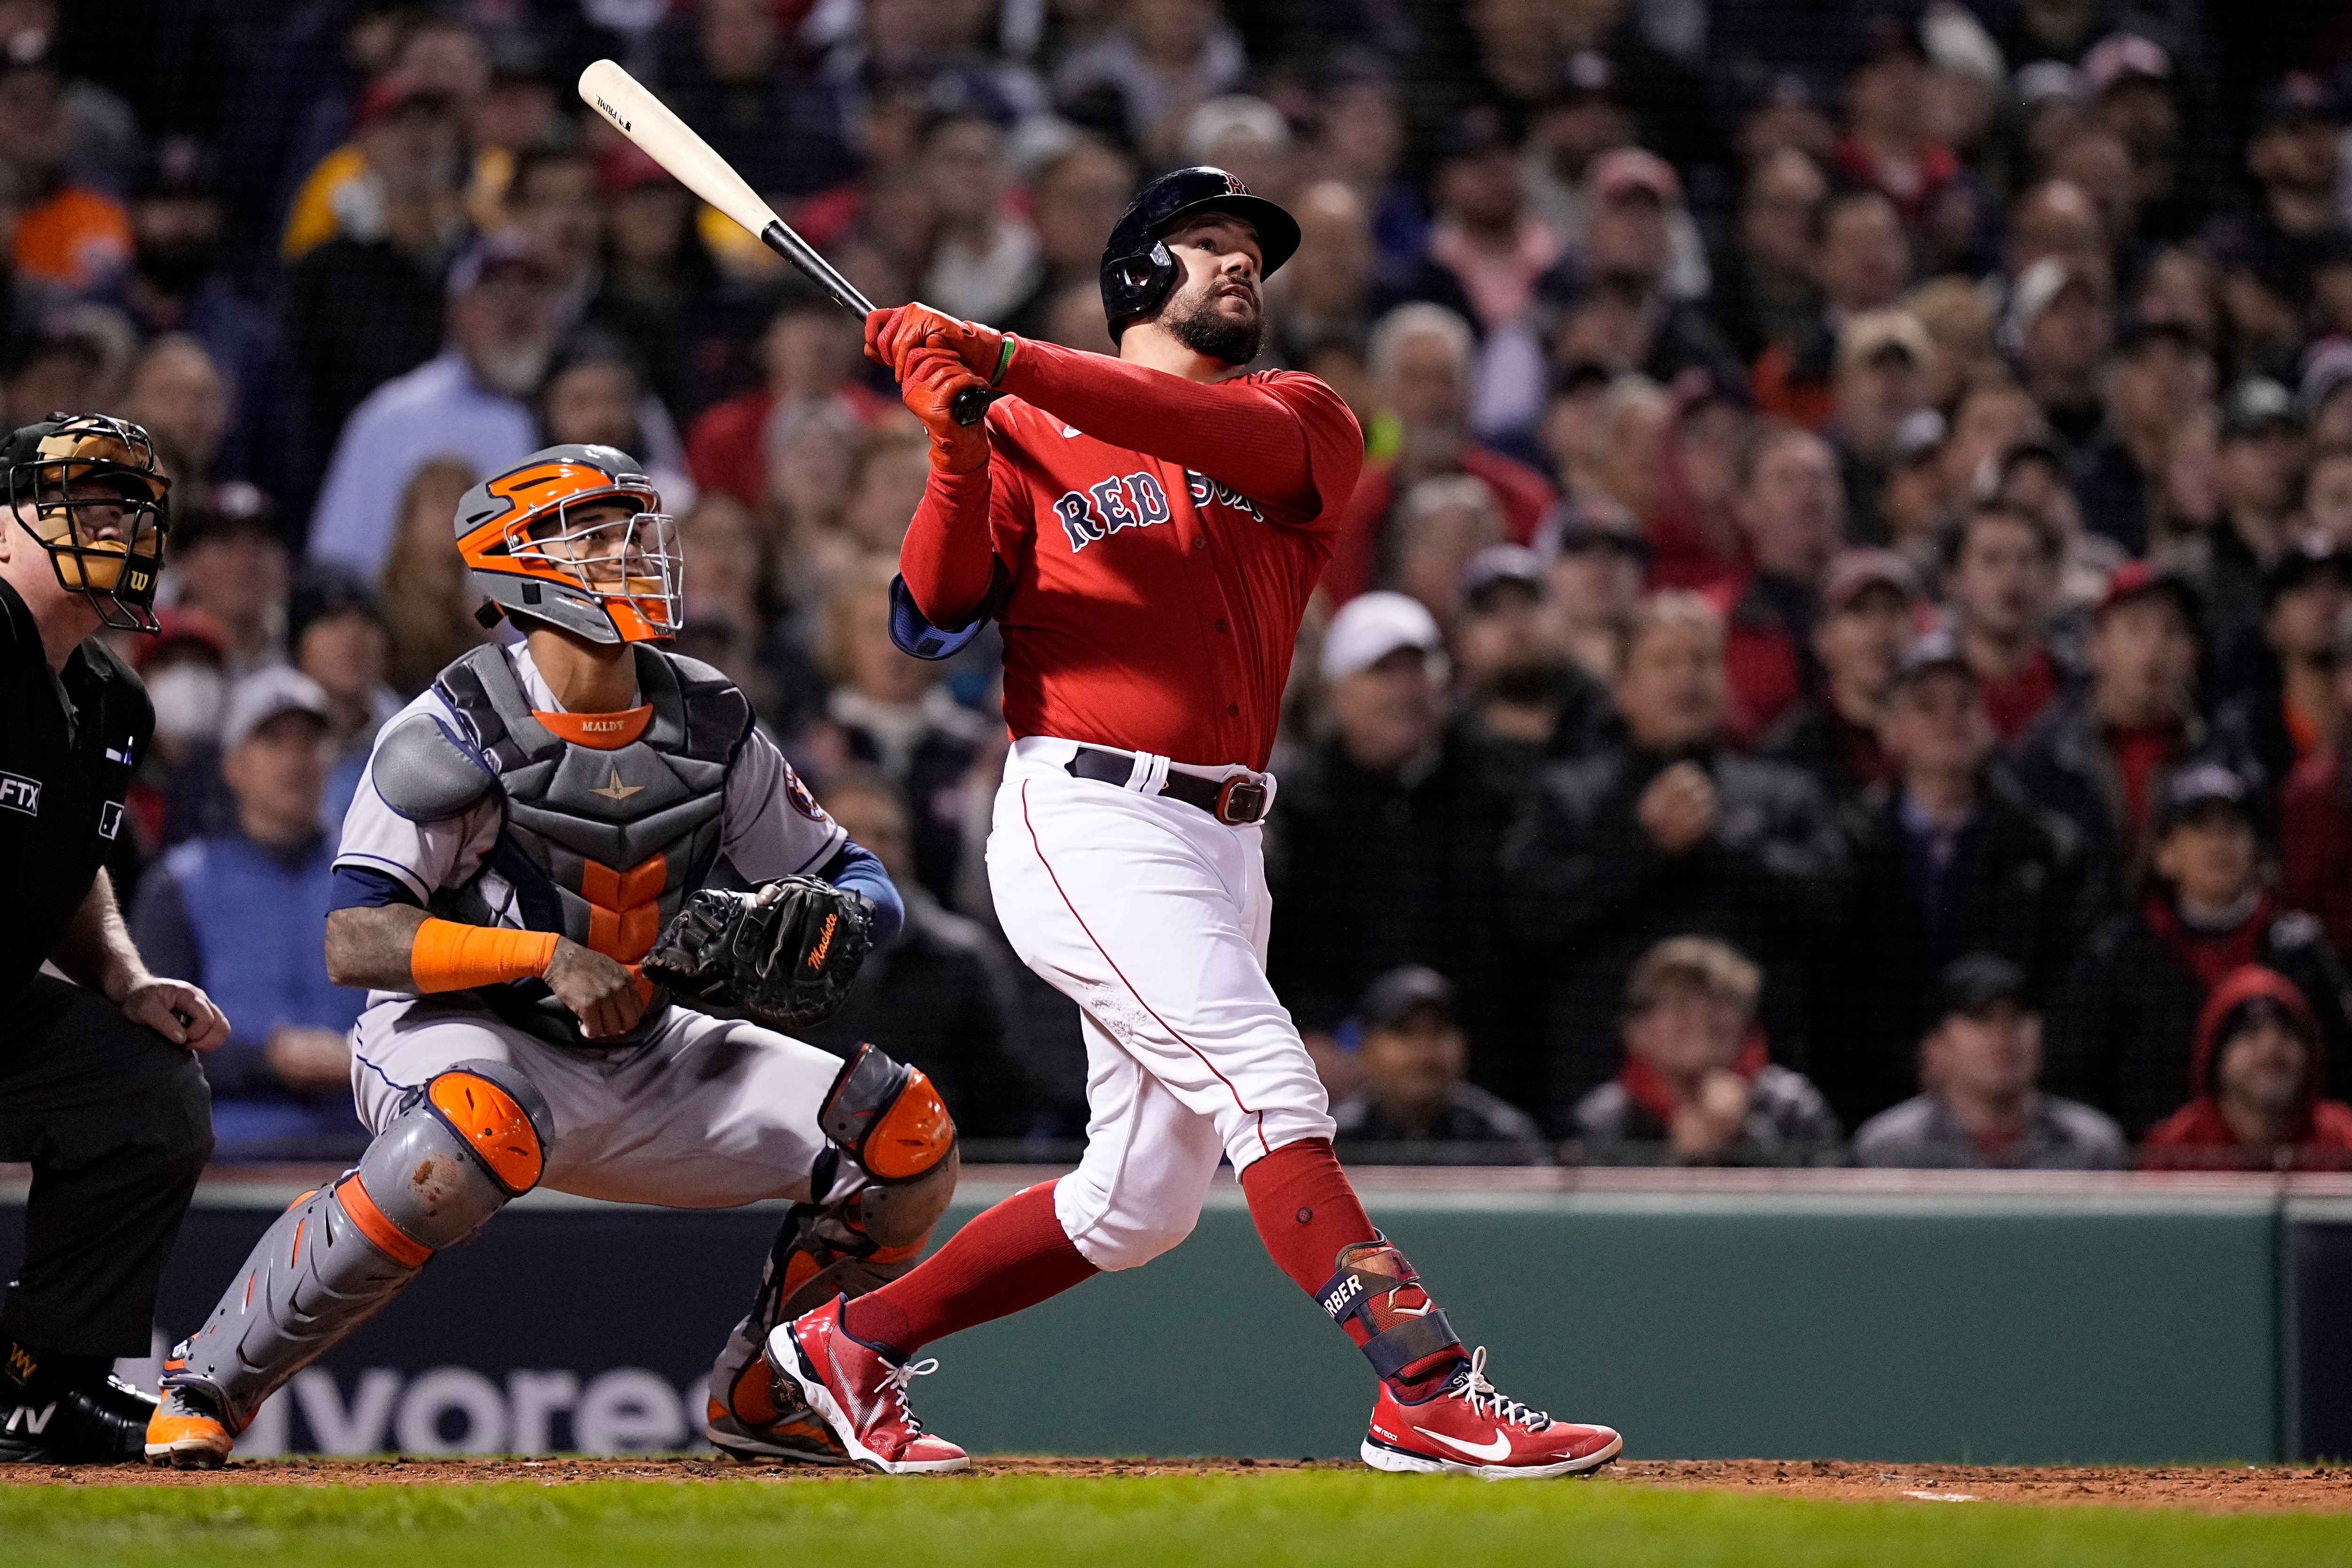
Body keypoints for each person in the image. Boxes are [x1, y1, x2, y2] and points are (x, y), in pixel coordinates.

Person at [771, 167, 1623, 1477]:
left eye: (1253, 253)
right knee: (1272, 1080)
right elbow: (929, 616)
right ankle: (1426, 1387)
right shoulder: (1019, 435)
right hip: (1088, 812)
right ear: (1136, 278)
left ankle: (848, 1339)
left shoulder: (1305, 417)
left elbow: (1194, 429)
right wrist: (955, 444)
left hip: (1228, 837)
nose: (1242, 266)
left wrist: (994, 355)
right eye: (1209, 244)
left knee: (1139, 1203)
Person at [142, 443, 958, 1470]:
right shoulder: (451, 726)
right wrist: (545, 955)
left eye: (635, 529)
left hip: (652, 1040)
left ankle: (771, 1390)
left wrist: (841, 919)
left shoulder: (709, 712)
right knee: (472, 1135)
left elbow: (856, 873)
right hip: (468, 1034)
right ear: (515, 563)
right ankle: (208, 1377)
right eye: (598, 532)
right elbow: (356, 938)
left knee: (904, 1134)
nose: (633, 552)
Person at [0, 414, 224, 1463]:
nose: (121, 528)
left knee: (146, 1084)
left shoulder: (112, 696)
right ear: (5, 527)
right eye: (87, 506)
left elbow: (73, 852)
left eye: (134, 508)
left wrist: (125, 977)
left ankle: (51, 1382)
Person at [1509, 593, 1847, 1121]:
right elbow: (1530, 918)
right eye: (1664, 662)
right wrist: (1642, 850)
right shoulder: (1568, 798)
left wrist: (1719, 843)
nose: (1685, 679)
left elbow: (1829, 906)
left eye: (1701, 661)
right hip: (1606, 1097)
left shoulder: (1784, 793)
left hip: (1761, 1098)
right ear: (1622, 688)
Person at [1819, 633, 2095, 1125]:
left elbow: (2066, 987)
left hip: (2013, 1100)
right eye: (1926, 706)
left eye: (1964, 704)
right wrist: (1914, 1056)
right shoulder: (1846, 846)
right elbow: (1839, 987)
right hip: (1869, 1096)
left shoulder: (2047, 849)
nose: (1949, 721)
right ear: (1890, 730)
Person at [1266, 591, 1530, 1101]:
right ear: (1335, 691)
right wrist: (1306, 1037)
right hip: (1334, 1075)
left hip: (1478, 1073)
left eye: (1417, 669)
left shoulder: (1495, 788)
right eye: (1380, 672)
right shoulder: (1293, 804)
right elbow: (1280, 942)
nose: (1403, 690)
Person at [127, 668, 365, 1159]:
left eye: (309, 742)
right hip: (230, 1156)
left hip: (370, 1152)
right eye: (274, 741)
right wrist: (268, 1060)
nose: (294, 760)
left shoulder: (377, 877)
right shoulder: (181, 884)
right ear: (233, 765)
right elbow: (148, 1042)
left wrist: (367, 1059)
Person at [2050, 763, 2352, 1138]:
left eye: (2233, 829)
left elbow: (2340, 1072)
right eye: (2199, 828)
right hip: (2153, 1175)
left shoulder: (2299, 953)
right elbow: (2077, 1077)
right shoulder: (2119, 956)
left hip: (2289, 1168)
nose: (2218, 843)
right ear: (2164, 854)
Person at [798, 768, 1035, 1143]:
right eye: (849, 835)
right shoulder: (770, 955)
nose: (871, 848)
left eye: (887, 836)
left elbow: (1001, 1095)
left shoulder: (963, 958)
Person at [306, 235, 556, 578]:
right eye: (494, 293)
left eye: (533, 293)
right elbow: (337, 563)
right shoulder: (396, 416)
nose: (515, 310)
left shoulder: (570, 407)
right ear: (456, 310)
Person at [1572, 935, 1842, 1167]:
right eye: (1677, 1001)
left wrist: (1741, 1137)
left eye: (1720, 1000)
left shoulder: (1793, 1107)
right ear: (1636, 1030)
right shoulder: (1604, 1120)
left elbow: (1828, 1214)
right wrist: (1679, 1155)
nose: (1700, 1017)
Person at [1853, 954, 2125, 1170]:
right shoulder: (1890, 1150)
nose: (2003, 1034)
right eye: (1981, 1018)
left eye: (2017, 1017)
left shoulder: (2092, 1147)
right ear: (1937, 1046)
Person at [1330, 967, 1547, 1165]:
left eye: (1439, 1031)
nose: (1424, 1051)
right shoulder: (1333, 1141)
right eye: (1404, 1032)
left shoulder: (1503, 1139)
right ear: (1367, 1048)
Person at [2142, 966, 2352, 1169]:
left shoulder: (2344, 1140)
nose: (2271, 1050)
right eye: (2250, 1033)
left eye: (2288, 1034)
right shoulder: (2174, 1151)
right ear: (2215, 1056)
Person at [1759, 550, 1920, 806]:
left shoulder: (1944, 741)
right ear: (1822, 638)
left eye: (1892, 611)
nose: (1880, 629)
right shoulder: (1791, 751)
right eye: (1860, 613)